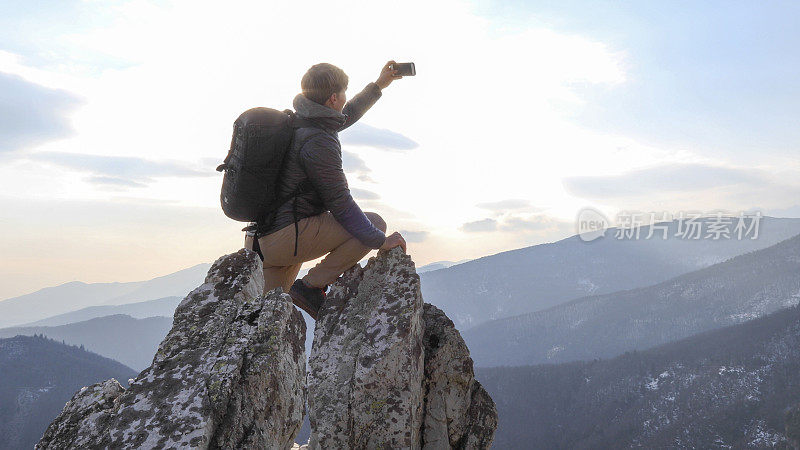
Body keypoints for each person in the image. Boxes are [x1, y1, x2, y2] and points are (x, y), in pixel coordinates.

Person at [244, 61, 407, 319]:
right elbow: (340, 202)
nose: (344, 99)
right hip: (289, 237)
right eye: (343, 93)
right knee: (374, 223)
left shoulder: (300, 122)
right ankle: (311, 286)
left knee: (264, 321)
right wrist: (379, 241)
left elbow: (346, 114)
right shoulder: (319, 141)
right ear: (333, 99)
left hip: (261, 241)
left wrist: (378, 86)